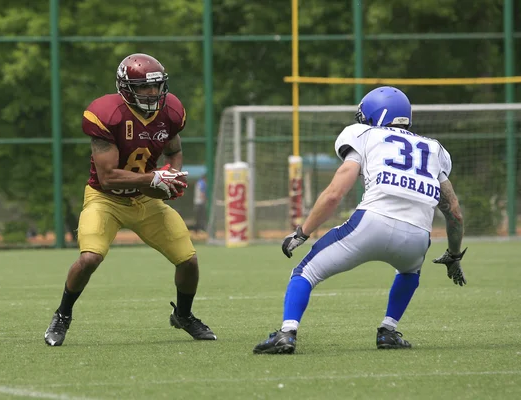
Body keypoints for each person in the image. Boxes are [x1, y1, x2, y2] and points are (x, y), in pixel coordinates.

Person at [253, 86, 466, 354]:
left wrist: (302, 233)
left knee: (304, 272)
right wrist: (454, 255)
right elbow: (454, 210)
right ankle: (388, 332)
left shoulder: (364, 134)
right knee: (410, 272)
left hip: (371, 223)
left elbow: (334, 193)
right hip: (417, 236)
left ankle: (287, 333)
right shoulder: (434, 150)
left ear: (375, 115)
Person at [44, 53, 217, 346]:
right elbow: (109, 176)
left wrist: (170, 175)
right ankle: (62, 315)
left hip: (145, 200)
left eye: (156, 86)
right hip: (105, 199)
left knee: (188, 261)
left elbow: (173, 150)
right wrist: (153, 178)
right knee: (89, 258)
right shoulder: (107, 114)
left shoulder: (171, 110)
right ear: (125, 88)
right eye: (144, 87)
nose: (152, 93)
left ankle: (184, 315)